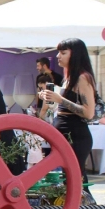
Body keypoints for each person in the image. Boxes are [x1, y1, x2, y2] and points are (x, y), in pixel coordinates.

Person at [40, 38, 97, 183]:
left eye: (63, 52)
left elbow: (89, 113)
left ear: (75, 54)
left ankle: (86, 206)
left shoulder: (82, 78)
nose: (58, 56)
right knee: (69, 181)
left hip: (76, 137)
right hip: (66, 136)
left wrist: (60, 99)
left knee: (75, 181)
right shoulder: (69, 77)